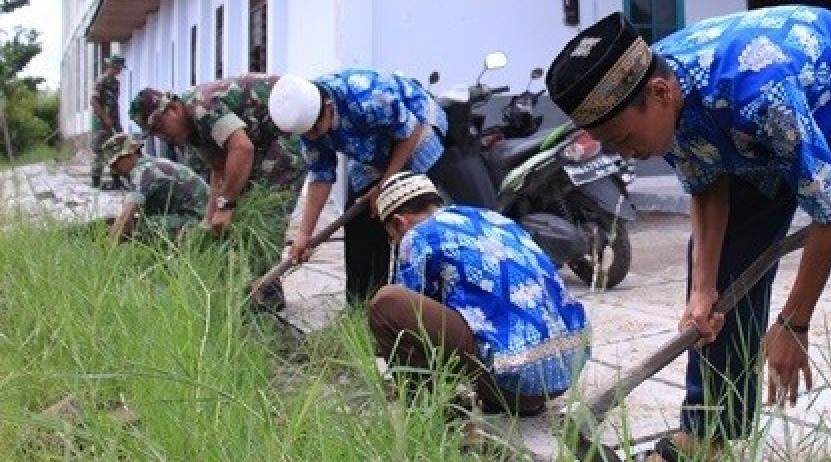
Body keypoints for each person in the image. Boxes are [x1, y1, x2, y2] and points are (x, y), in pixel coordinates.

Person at [546, 9, 831, 462]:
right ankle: (710, 430)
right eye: (612, 144)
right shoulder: (654, 91)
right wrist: (703, 293)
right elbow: (706, 185)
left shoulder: (757, 91)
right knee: (723, 264)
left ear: (661, 94)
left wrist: (793, 323)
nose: (626, 152)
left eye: (624, 139)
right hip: (759, 127)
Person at [368, 172, 590, 416]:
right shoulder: (491, 218)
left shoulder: (418, 234)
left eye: (392, 237)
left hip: (517, 384)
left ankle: (422, 410)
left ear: (400, 222)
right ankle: (498, 396)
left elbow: (411, 313)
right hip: (566, 371)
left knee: (388, 303)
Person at [269, 69, 493, 305]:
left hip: (416, 131)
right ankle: (365, 304)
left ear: (328, 107)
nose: (312, 136)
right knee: (361, 218)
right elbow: (321, 175)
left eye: (315, 129)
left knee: (403, 208)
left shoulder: (369, 97)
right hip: (368, 145)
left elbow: (410, 132)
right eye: (307, 133)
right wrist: (304, 235)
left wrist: (385, 185)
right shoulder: (308, 121)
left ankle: (417, 299)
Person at [128, 75, 308, 232]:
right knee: (238, 209)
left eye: (160, 127)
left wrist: (225, 205)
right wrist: (208, 219)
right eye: (155, 134)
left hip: (289, 126)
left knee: (264, 211)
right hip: (263, 138)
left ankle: (260, 265)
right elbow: (220, 168)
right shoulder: (189, 132)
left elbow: (242, 149)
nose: (162, 136)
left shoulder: (201, 108)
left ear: (173, 109)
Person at [101, 133, 208, 240]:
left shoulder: (143, 172)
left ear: (130, 155)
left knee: (141, 227)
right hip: (198, 214)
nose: (114, 170)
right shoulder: (151, 165)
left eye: (116, 164)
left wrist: (109, 246)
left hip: (199, 219)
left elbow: (126, 215)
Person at [90, 55, 125, 188]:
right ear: (112, 66)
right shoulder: (101, 81)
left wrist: (116, 122)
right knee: (100, 151)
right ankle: (95, 181)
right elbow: (93, 101)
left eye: (120, 68)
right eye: (118, 68)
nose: (119, 71)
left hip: (115, 121)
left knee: (117, 150)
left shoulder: (116, 83)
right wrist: (105, 118)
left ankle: (116, 180)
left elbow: (114, 104)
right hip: (101, 123)